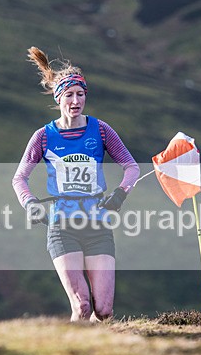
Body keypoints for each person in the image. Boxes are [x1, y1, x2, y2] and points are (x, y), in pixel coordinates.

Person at [12, 47, 140, 322]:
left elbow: (131, 167)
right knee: (82, 306)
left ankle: (96, 351)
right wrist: (31, 204)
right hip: (62, 228)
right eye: (69, 95)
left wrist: (119, 194)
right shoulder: (43, 136)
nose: (76, 100)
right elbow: (19, 178)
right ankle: (71, 353)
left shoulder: (101, 130)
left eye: (80, 94)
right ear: (59, 98)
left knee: (103, 311)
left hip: (97, 225)